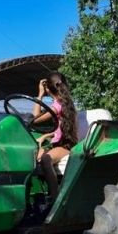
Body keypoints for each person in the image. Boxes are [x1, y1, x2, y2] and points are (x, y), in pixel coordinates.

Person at [33, 71, 78, 203]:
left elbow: (35, 118)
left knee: (46, 160)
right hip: (60, 143)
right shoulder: (65, 104)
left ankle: (56, 198)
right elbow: (60, 129)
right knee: (34, 154)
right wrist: (45, 135)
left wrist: (40, 95)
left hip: (66, 145)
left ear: (48, 88)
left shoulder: (57, 106)